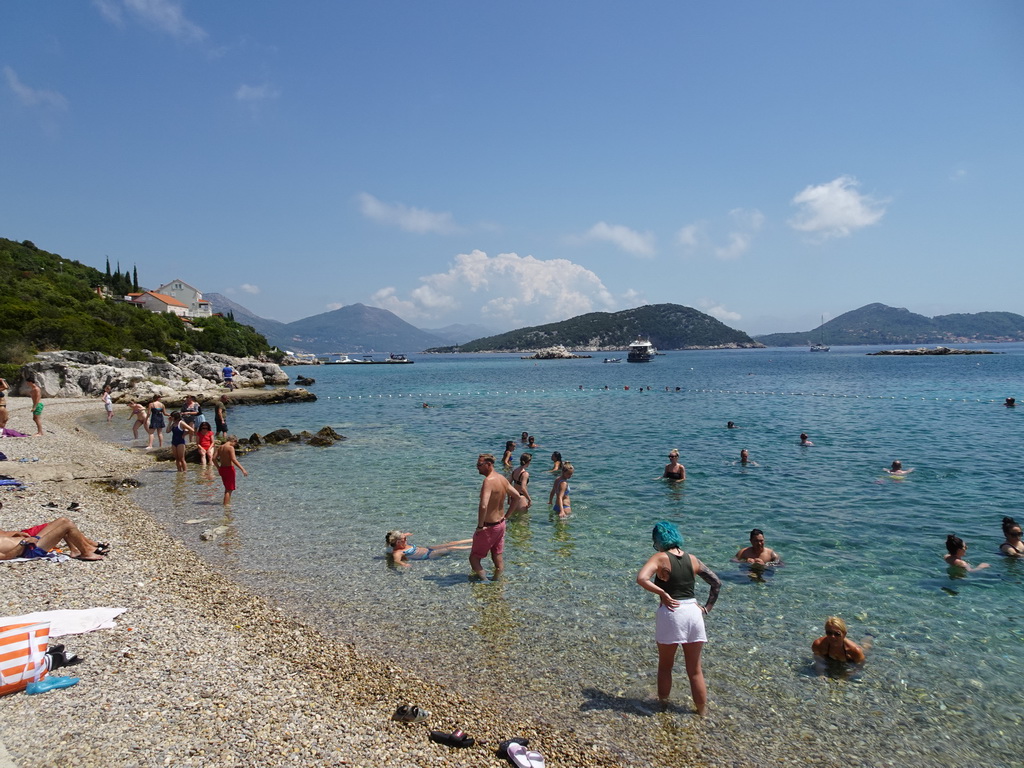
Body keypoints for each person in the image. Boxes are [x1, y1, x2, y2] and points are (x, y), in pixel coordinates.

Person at [636, 521, 721, 714]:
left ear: (658, 540)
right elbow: (716, 582)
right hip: (693, 612)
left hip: (672, 613)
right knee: (695, 670)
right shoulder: (692, 559)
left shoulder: (659, 557)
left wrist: (664, 594)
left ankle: (663, 707)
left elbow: (642, 578)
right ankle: (701, 713)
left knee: (665, 666)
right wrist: (706, 608)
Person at [470, 454, 521, 580]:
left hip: (489, 527)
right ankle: (498, 582)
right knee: (497, 556)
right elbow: (517, 497)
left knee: (474, 559)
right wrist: (507, 517)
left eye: (479, 465)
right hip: (500, 525)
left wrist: (480, 526)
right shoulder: (502, 478)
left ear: (488, 464)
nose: (477, 468)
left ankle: (485, 582)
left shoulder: (488, 481)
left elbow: (483, 506)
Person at [1, 517, 106, 561]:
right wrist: (22, 543)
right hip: (29, 550)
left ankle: (78, 550)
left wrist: (18, 535)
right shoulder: (24, 545)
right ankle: (86, 552)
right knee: (67, 526)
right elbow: (6, 556)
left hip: (30, 543)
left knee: (63, 520)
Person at [384, 530, 473, 566]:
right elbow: (396, 560)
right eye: (404, 539)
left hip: (428, 548)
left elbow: (398, 536)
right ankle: (475, 547)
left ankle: (475, 539)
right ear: (398, 542)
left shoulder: (400, 542)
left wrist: (406, 534)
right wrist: (404, 564)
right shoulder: (398, 552)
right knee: (452, 547)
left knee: (451, 543)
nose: (406, 539)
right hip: (428, 555)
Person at [215, 436, 248, 505]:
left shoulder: (220, 447)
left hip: (222, 469)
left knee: (227, 488)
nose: (235, 445)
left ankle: (226, 504)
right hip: (229, 469)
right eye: (235, 443)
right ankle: (226, 507)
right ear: (234, 441)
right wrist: (242, 469)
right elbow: (234, 459)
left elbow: (213, 458)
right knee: (229, 489)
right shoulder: (230, 448)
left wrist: (218, 467)